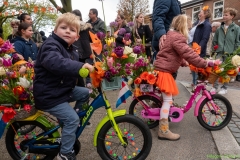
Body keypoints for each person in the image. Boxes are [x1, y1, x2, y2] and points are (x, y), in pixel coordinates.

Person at [33, 13, 94, 160]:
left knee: (85, 93)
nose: (67, 31)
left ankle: (70, 124)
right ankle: (64, 154)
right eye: (63, 27)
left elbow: (77, 67)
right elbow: (56, 62)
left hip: (61, 90)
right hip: (49, 95)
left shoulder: (72, 49)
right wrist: (80, 66)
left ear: (77, 36)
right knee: (72, 119)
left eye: (72, 30)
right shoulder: (51, 45)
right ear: (55, 31)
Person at [154, 14, 215, 141]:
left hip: (163, 69)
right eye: (189, 25)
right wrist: (204, 63)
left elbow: (170, 54)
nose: (190, 27)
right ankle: (163, 130)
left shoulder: (171, 35)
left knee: (165, 98)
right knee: (167, 100)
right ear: (183, 26)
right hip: (165, 71)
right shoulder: (178, 38)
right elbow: (188, 53)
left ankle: (161, 116)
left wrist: (183, 62)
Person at [212, 8, 240, 94]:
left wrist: (236, 54)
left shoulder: (236, 28)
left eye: (226, 15)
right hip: (219, 53)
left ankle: (224, 88)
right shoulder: (219, 28)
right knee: (215, 69)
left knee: (227, 70)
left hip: (230, 53)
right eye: (223, 14)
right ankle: (215, 87)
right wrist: (213, 51)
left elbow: (237, 41)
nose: (224, 16)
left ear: (232, 16)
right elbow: (214, 41)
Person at [152, 0, 181, 79]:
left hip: (172, 42)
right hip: (166, 43)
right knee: (164, 78)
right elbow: (158, 16)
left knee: (169, 77)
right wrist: (161, 34)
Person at [188, 6, 212, 87]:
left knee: (198, 67)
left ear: (205, 14)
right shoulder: (197, 22)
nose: (199, 13)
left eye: (201, 12)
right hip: (193, 46)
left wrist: (199, 49)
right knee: (192, 66)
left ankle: (197, 85)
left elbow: (205, 38)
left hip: (198, 49)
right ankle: (194, 83)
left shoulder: (207, 25)